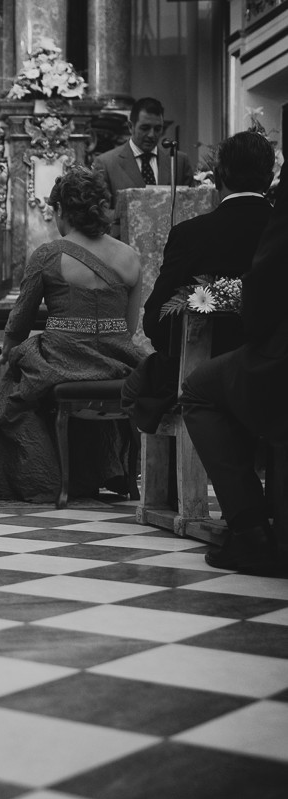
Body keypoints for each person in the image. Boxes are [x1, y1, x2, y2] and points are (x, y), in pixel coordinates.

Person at [0, 167, 143, 502]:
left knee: (14, 387)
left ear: (62, 210)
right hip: (118, 360)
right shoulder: (130, 255)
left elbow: (20, 320)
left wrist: (7, 350)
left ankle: (43, 479)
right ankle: (99, 471)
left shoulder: (49, 254)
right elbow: (130, 325)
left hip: (64, 359)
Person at [124, 131, 275, 433]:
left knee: (140, 386)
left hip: (207, 377)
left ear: (220, 175)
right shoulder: (278, 230)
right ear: (270, 177)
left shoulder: (191, 234)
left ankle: (169, 480)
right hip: (278, 375)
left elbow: (156, 321)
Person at [181, 172, 288, 575]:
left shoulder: (195, 231)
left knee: (198, 389)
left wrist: (257, 334)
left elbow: (269, 272)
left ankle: (250, 531)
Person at [92, 97, 195, 237]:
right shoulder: (106, 163)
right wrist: (134, 211)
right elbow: (99, 213)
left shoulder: (178, 161)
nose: (152, 135)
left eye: (158, 129)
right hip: (126, 248)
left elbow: (190, 207)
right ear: (130, 127)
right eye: (145, 128)